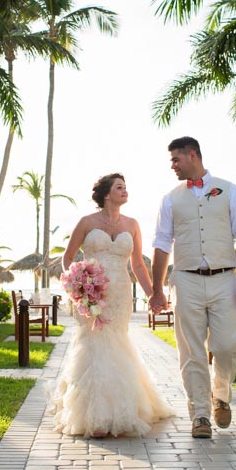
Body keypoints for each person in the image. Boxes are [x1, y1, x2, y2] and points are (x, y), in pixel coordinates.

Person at [50, 173, 174, 438]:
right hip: (91, 294)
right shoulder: (87, 222)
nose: (125, 191)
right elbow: (68, 258)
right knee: (93, 344)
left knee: (116, 342)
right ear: (107, 194)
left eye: (126, 187)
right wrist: (78, 284)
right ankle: (92, 415)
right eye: (120, 187)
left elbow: (138, 265)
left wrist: (153, 294)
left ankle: (121, 409)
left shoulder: (132, 224)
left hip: (119, 294)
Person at [149, 136, 236, 439]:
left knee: (227, 345)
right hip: (186, 279)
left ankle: (220, 394)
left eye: (175, 160)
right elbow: (161, 244)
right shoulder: (170, 199)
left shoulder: (231, 191)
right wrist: (157, 289)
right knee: (191, 351)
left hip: (225, 279)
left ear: (192, 155)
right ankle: (199, 415)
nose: (173, 166)